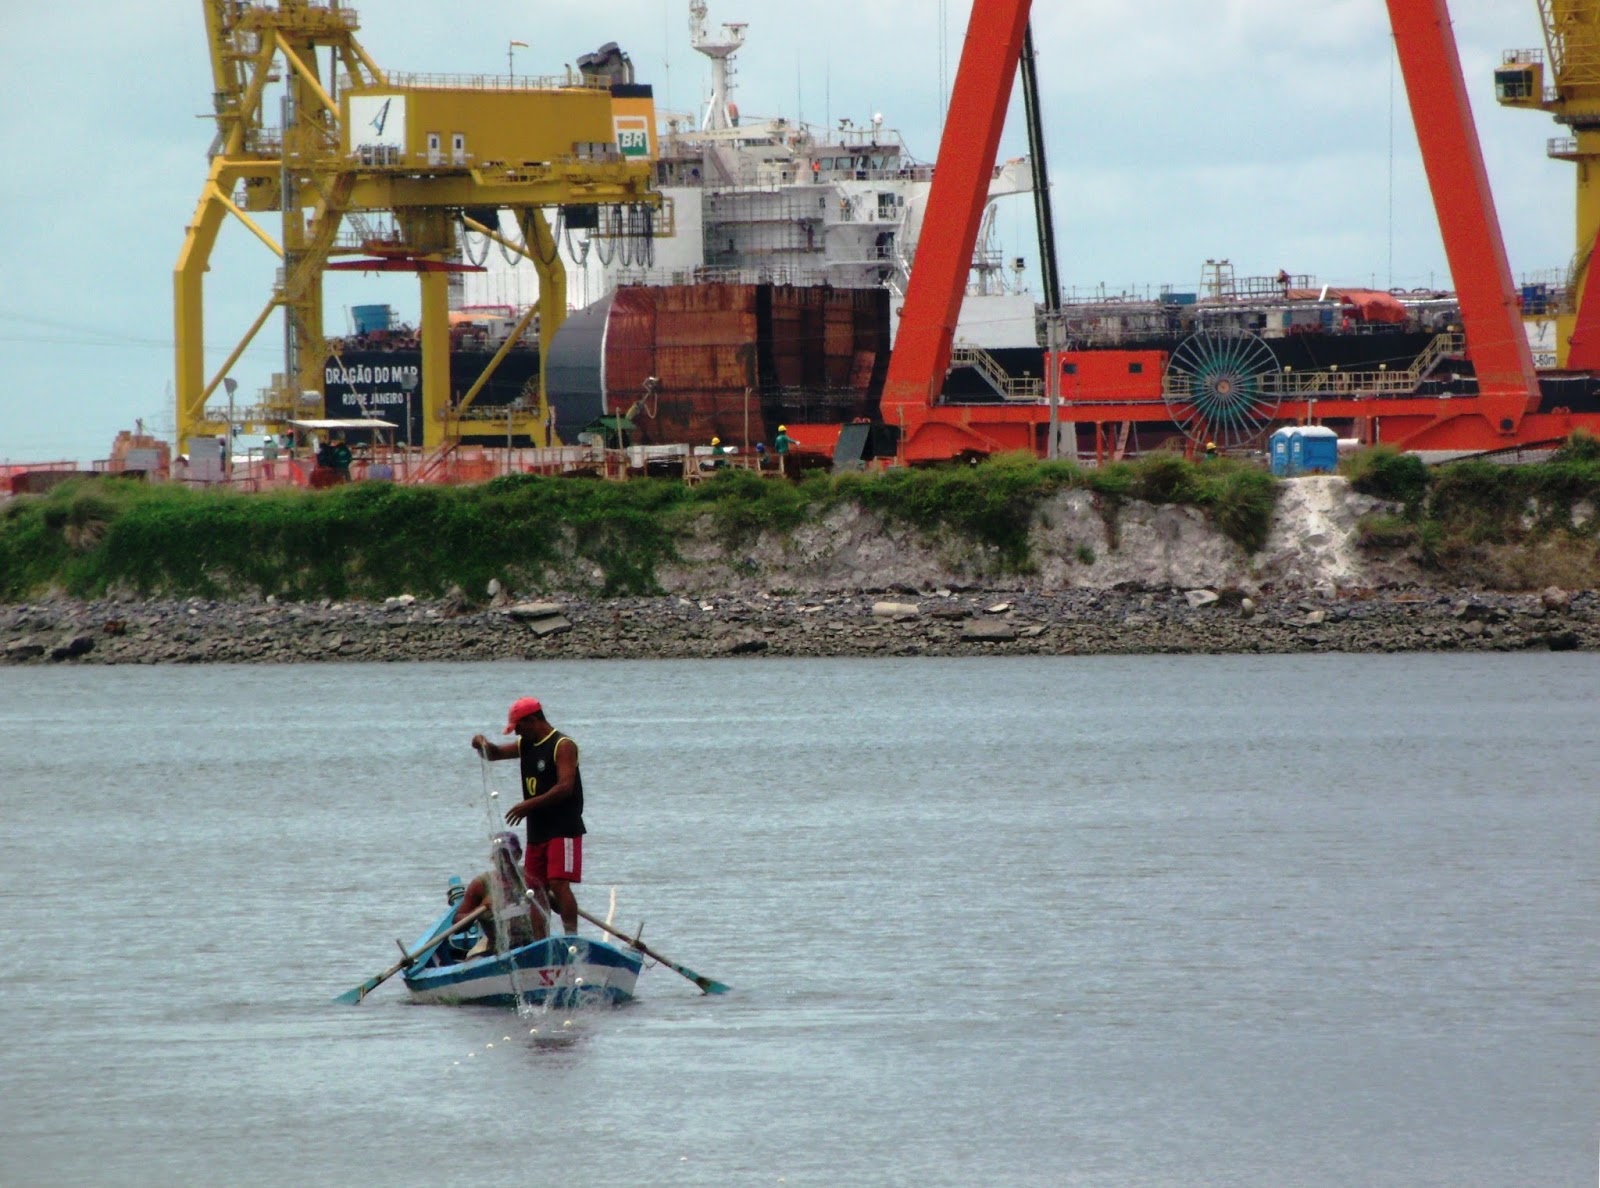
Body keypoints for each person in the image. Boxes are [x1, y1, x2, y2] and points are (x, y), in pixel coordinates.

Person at [471, 697, 585, 935]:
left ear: (533, 720)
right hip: (538, 830)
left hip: (563, 827)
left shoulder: (562, 745)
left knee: (558, 884)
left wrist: (528, 805)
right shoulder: (526, 745)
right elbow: (494, 754)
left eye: (519, 728)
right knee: (535, 888)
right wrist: (481, 744)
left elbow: (565, 787)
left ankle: (571, 938)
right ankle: (540, 943)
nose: (517, 734)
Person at [453, 831, 544, 954]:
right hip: (498, 952)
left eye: (508, 854)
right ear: (492, 858)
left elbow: (559, 906)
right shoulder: (481, 884)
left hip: (535, 947)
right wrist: (481, 908)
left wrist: (543, 894)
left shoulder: (531, 877)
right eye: (499, 855)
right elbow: (456, 926)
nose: (503, 860)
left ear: (518, 855)